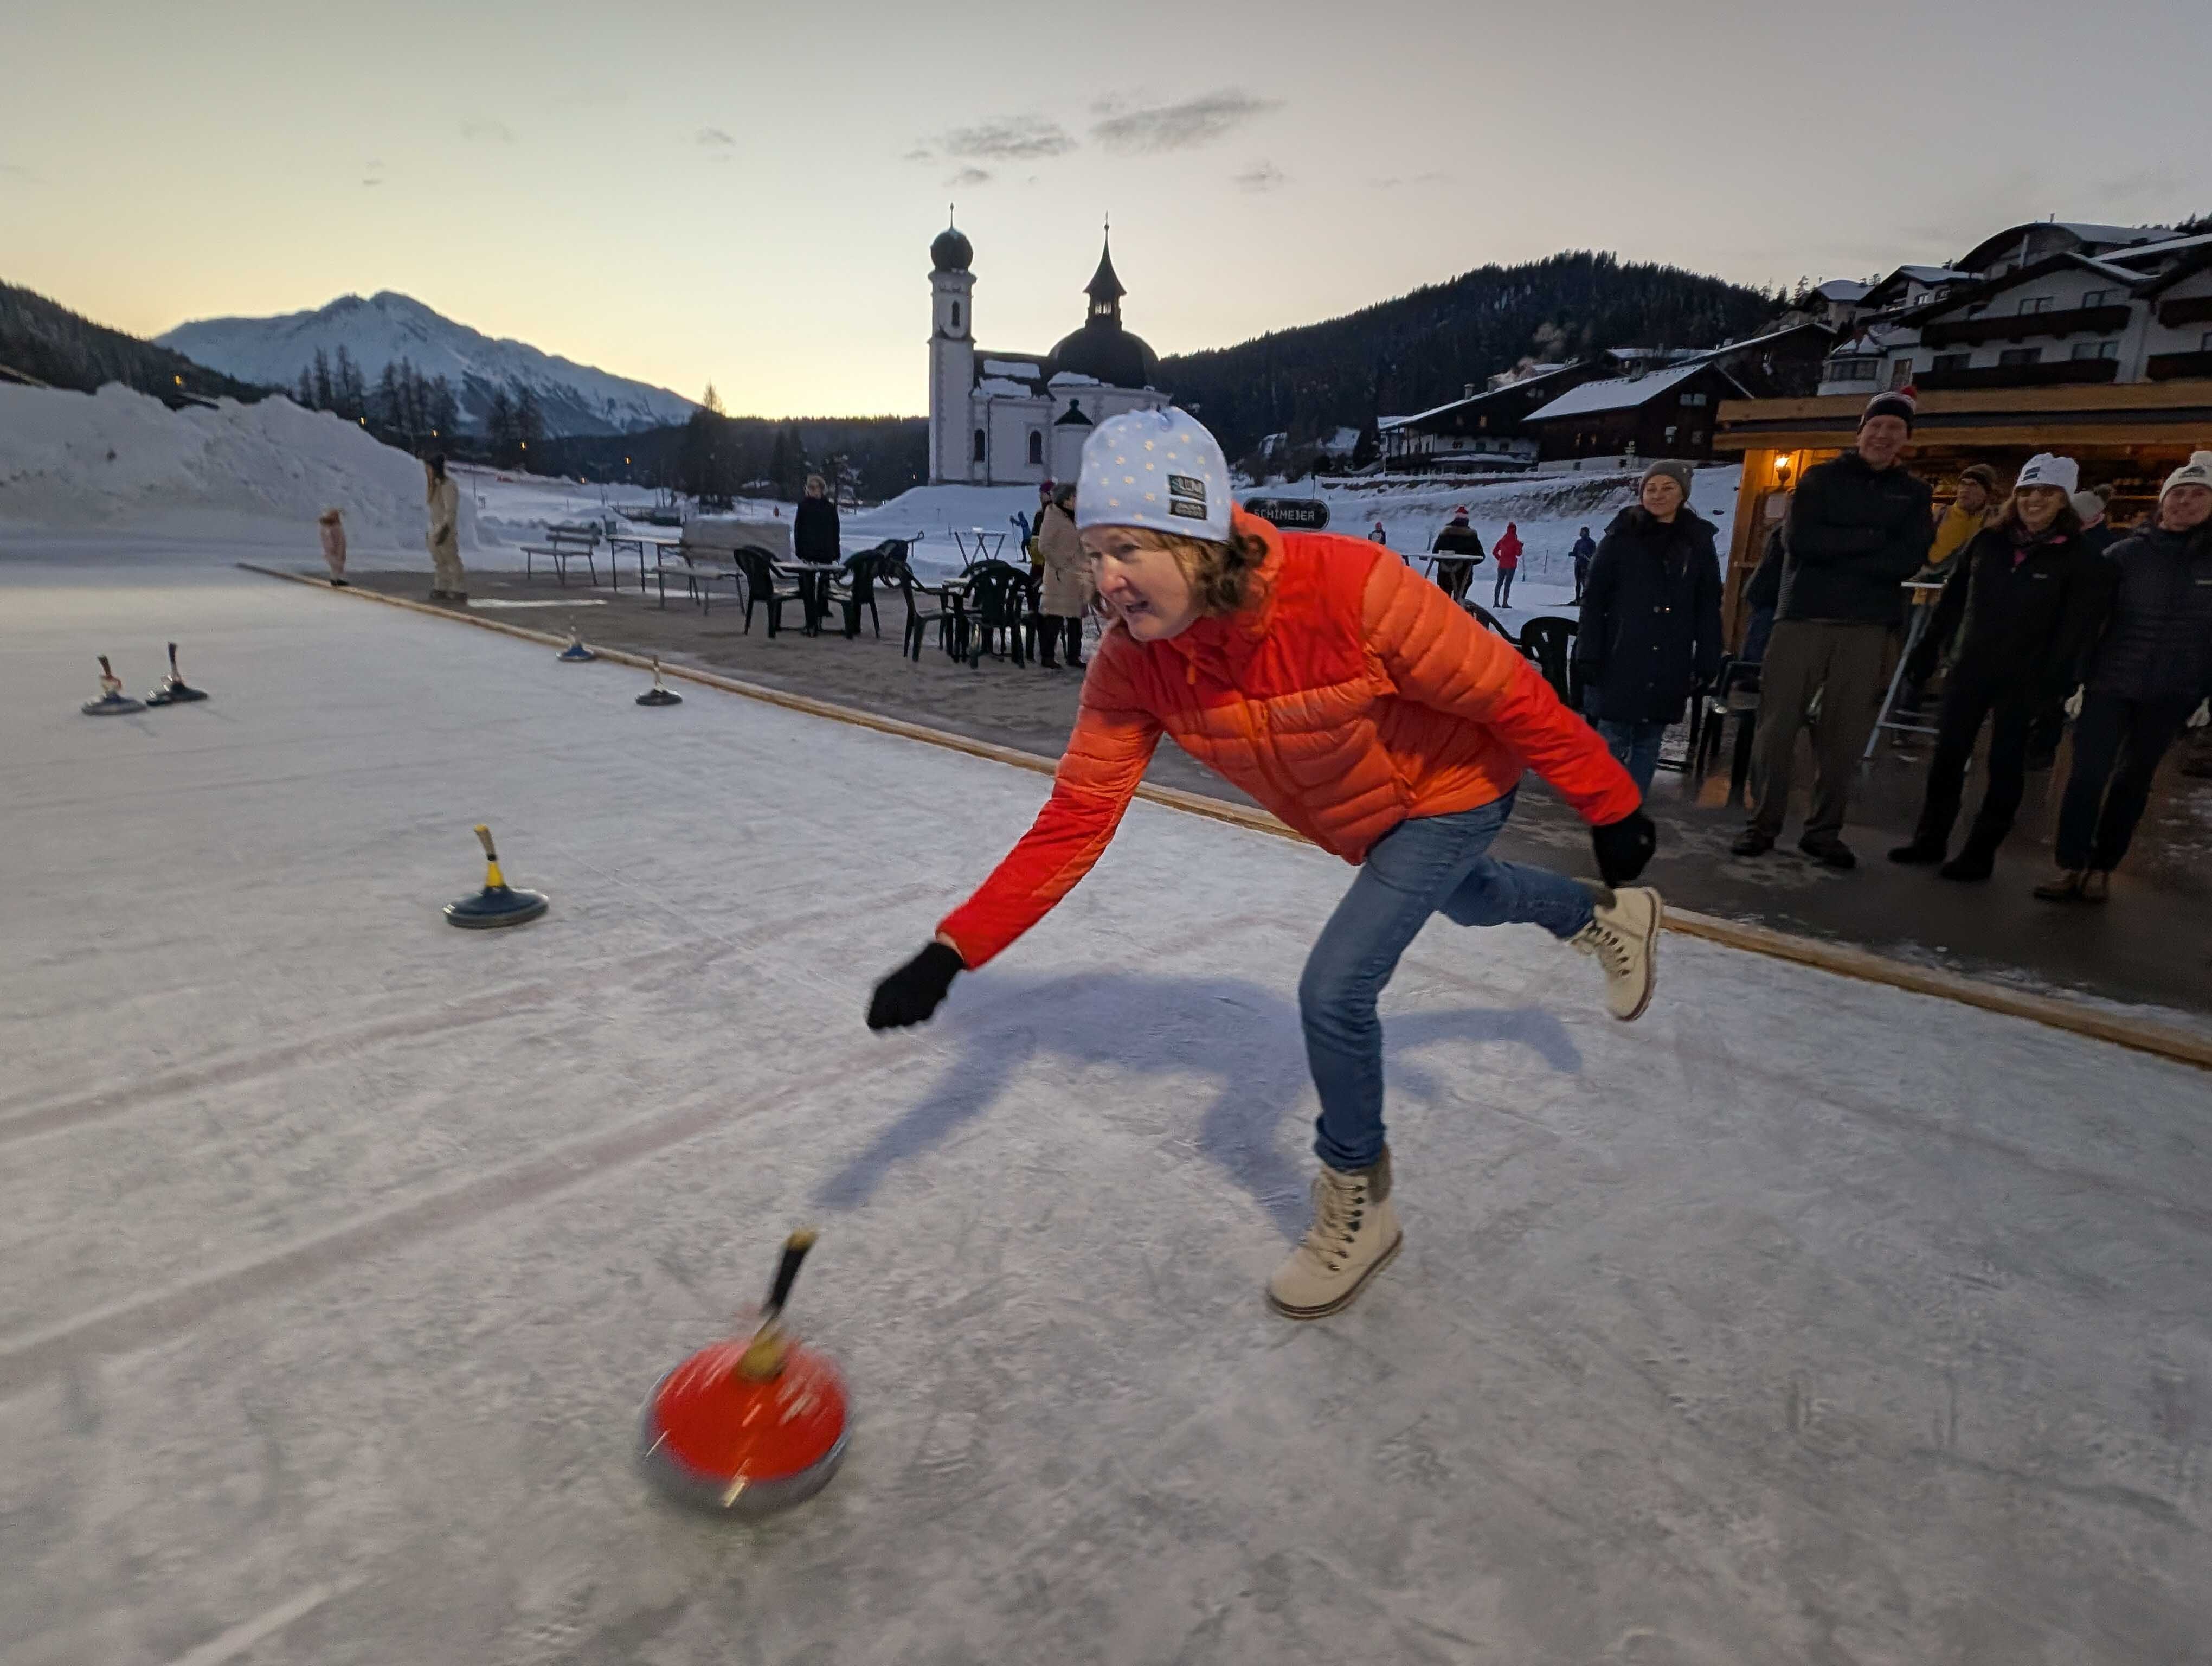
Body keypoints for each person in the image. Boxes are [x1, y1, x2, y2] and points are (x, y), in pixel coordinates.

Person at [865, 407, 1661, 1321]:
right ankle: (1599, 918)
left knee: (1335, 989)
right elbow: (1077, 815)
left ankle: (1360, 1196)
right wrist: (952, 950)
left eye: (1127, 548)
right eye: (1096, 553)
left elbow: (1508, 690)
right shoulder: (1135, 667)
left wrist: (1611, 805)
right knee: (1473, 900)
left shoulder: (1351, 588)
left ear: (1197, 538)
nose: (1106, 580)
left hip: (1454, 785)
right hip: (1369, 819)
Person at [1732, 389, 1933, 867]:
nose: (1883, 436)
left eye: (1895, 429)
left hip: (1867, 626)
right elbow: (1802, 542)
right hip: (1803, 616)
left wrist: (1843, 547)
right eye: (1876, 426)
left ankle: (1824, 831)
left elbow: (1909, 557)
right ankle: (1762, 823)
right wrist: (1873, 540)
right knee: (1776, 729)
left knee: (1843, 735)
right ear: (1860, 431)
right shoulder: (1820, 479)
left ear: (1906, 439)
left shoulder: (1913, 493)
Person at [1887, 456, 2101, 881]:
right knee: (1947, 757)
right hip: (1972, 666)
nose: (2035, 501)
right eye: (2027, 492)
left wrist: (2055, 689)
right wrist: (1927, 652)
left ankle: (1980, 851)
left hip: (2027, 677)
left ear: (2064, 501)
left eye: (2047, 493)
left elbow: (2076, 629)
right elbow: (1952, 601)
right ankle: (1929, 840)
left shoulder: (2077, 558)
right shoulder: (1988, 543)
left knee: (2005, 765)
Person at [2036, 451, 2212, 902]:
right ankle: (2070, 863)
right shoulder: (2125, 555)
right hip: (2109, 683)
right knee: (2087, 777)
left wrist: (2206, 695)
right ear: (2162, 500)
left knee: (2133, 783)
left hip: (2172, 691)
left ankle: (2103, 867)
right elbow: (2088, 621)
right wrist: (2076, 679)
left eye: (2198, 494)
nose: (2184, 503)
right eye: (2178, 493)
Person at [1573, 460, 1724, 793]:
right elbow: (1594, 599)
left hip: (1670, 655)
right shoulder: (1620, 536)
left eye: (1668, 487)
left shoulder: (1697, 542)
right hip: (1621, 651)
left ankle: (1631, 804)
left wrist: (1708, 658)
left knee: (1649, 737)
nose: (1658, 495)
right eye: (1651, 488)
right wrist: (1588, 652)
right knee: (1612, 734)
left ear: (1683, 494)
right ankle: (1606, 802)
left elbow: (1708, 605)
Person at [1034, 482, 1090, 670]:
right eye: (1075, 497)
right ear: (1066, 499)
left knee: (1076, 618)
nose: (1078, 500)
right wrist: (1061, 564)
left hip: (1076, 576)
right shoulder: (1053, 517)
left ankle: (1074, 655)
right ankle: (1048, 656)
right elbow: (1044, 546)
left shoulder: (1076, 518)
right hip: (1059, 576)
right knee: (1055, 618)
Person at [793, 473, 841, 635]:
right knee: (807, 586)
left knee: (824, 585)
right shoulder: (804, 507)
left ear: (822, 489)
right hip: (808, 553)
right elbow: (798, 530)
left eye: (817, 487)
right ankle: (811, 622)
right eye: (811, 487)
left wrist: (836, 551)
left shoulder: (829, 508)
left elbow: (835, 531)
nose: (814, 490)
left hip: (826, 553)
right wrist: (800, 551)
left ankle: (821, 613)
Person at [424, 454, 464, 602]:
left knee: (451, 559)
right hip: (436, 528)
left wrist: (445, 529)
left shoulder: (448, 486)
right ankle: (441, 585)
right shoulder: (434, 486)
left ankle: (458, 588)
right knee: (440, 561)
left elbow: (450, 511)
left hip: (445, 529)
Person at [1429, 508, 1485, 604]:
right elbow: (1480, 557)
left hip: (1444, 574)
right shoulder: (1471, 536)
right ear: (1467, 521)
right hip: (1463, 575)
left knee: (1444, 601)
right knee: (1459, 601)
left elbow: (1436, 553)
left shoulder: (1444, 534)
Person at [1491, 521, 1523, 608]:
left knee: (1499, 583)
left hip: (1502, 565)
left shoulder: (1502, 540)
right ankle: (1505, 603)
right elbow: (1519, 554)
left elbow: (1494, 552)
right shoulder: (1516, 542)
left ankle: (1496, 602)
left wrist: (1500, 558)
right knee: (1507, 584)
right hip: (1511, 565)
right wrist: (1521, 546)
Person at [317, 506, 349, 587]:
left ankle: (337, 579)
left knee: (338, 565)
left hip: (338, 549)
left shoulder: (333, 526)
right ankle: (336, 580)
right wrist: (332, 549)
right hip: (335, 550)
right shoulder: (330, 527)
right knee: (337, 564)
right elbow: (330, 540)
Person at [1571, 526, 1596, 603]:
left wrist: (1586, 555)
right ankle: (1577, 599)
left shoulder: (1591, 542)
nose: (1580, 533)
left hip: (1586, 564)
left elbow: (1593, 553)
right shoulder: (1579, 542)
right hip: (1578, 564)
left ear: (1585, 532)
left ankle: (1586, 599)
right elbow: (1575, 552)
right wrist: (1573, 554)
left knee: (1585, 582)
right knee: (1578, 582)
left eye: (1582, 532)